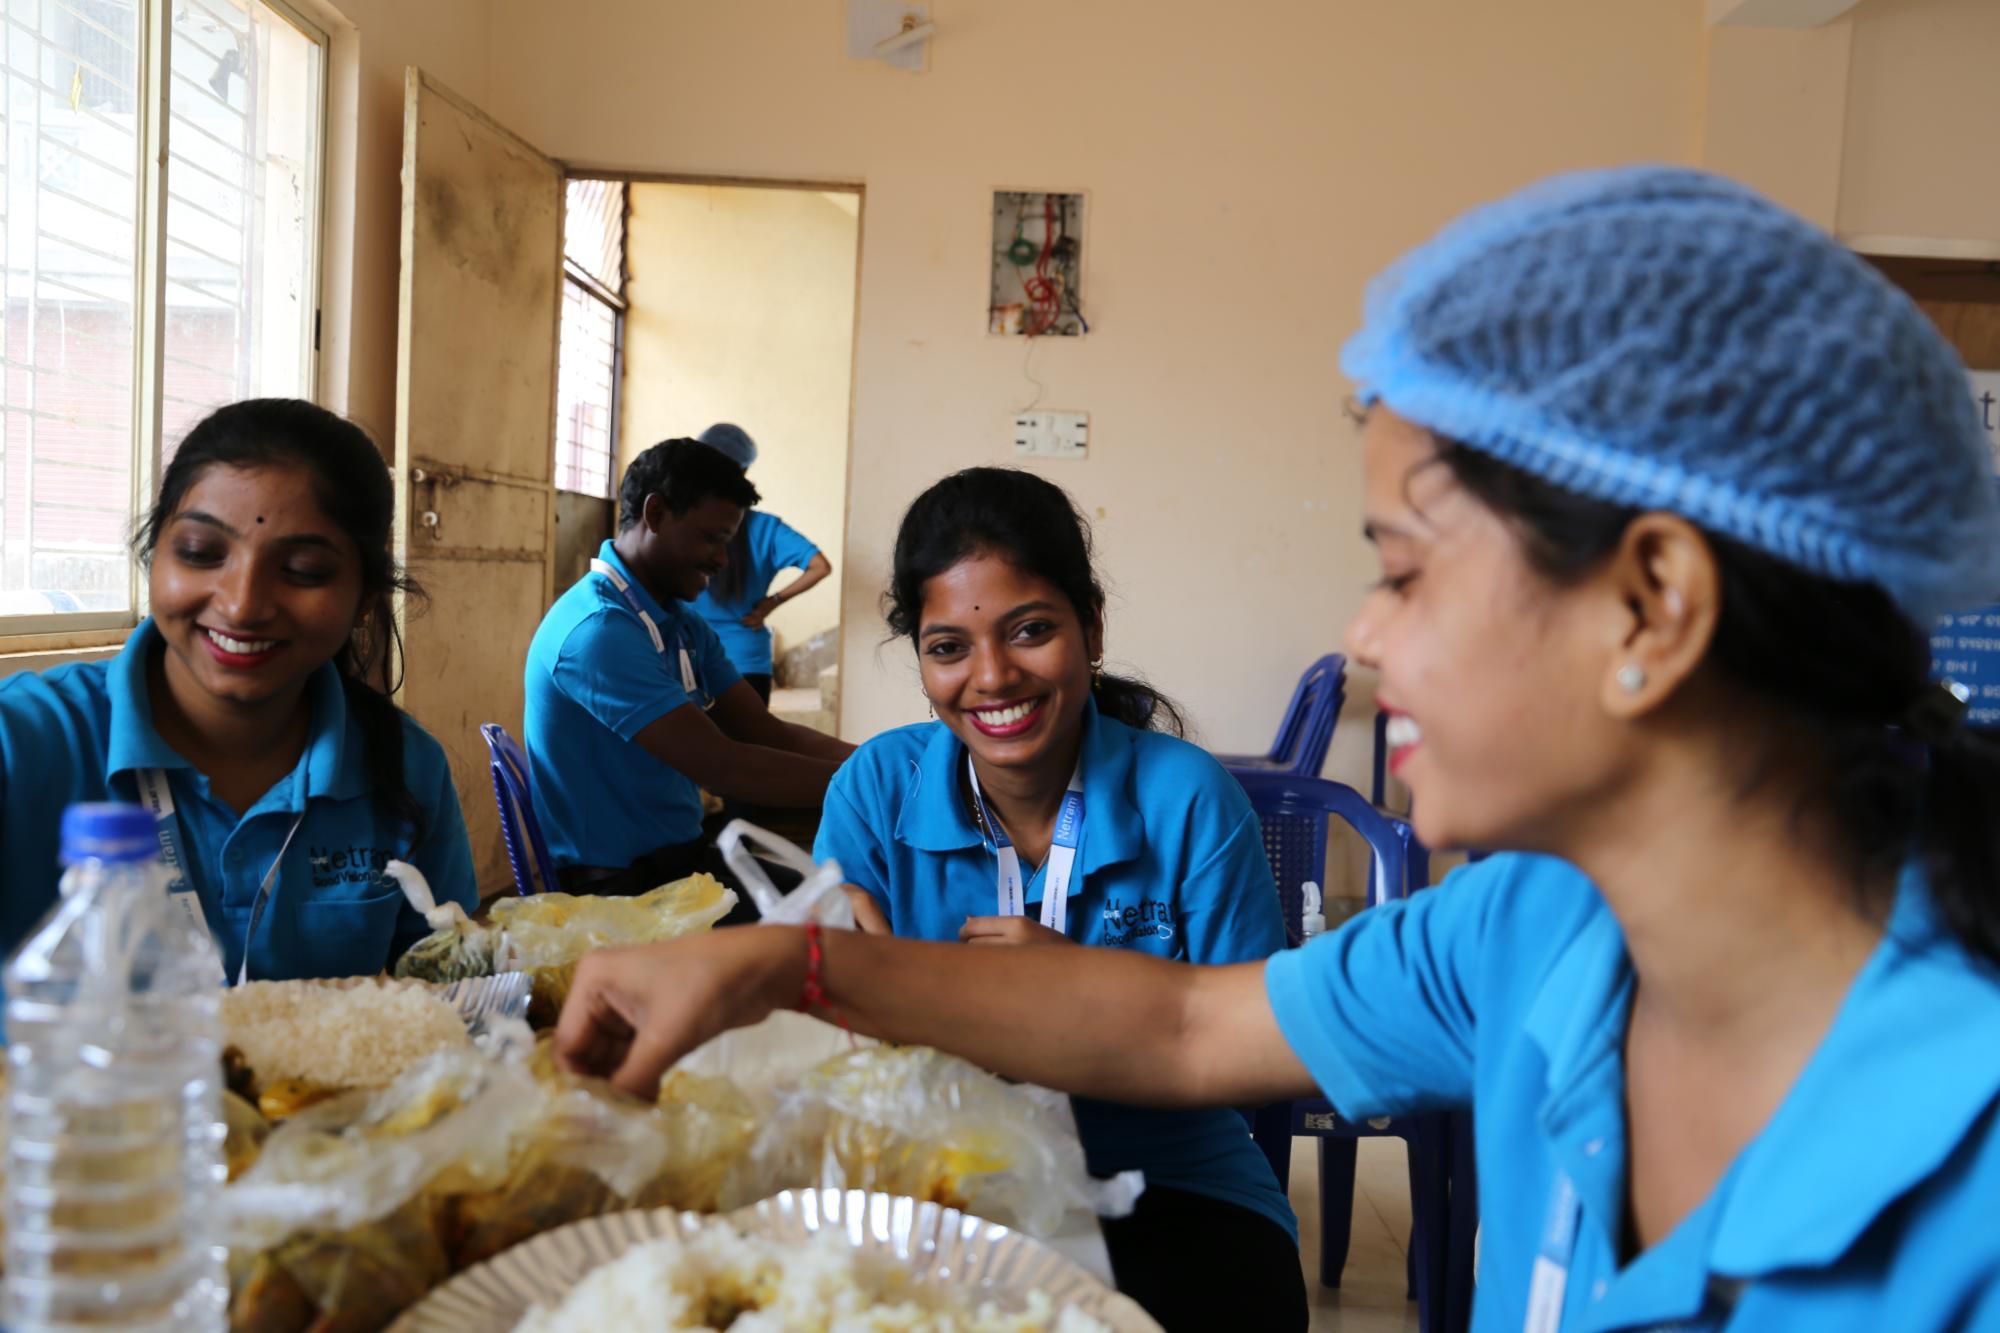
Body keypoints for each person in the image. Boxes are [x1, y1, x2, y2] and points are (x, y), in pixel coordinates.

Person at [556, 168, 2000, 1329]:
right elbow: (1186, 1024)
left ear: (1653, 603)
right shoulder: (1532, 933)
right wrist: (781, 961)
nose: (1366, 640)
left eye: (1407, 568)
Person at [814, 467, 1303, 1331]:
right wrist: (830, 970)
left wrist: (1083, 995)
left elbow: (1265, 1059)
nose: (993, 676)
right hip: (938, 1179)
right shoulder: (875, 791)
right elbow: (831, 1029)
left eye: (1030, 630)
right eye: (948, 646)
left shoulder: (1189, 799)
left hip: (1172, 1182)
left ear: (1093, 629)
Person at [0, 398, 477, 981]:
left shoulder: (406, 768)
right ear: (155, 558)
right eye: (201, 554)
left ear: (366, 601)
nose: (243, 604)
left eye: (303, 569)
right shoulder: (23, 743)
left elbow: (454, 995)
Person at [525, 439, 853, 901]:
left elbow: (763, 730)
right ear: (655, 514)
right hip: (623, 891)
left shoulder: (676, 621)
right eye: (712, 538)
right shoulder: (599, 633)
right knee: (837, 926)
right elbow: (727, 768)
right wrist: (873, 784)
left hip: (681, 863)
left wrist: (886, 760)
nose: (722, 560)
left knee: (845, 906)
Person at [688, 424, 834, 703]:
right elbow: (820, 566)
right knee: (753, 744)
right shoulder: (767, 527)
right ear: (743, 472)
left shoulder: (685, 520)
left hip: (690, 658)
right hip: (748, 662)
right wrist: (772, 602)